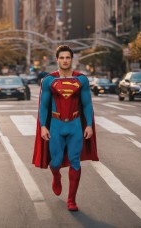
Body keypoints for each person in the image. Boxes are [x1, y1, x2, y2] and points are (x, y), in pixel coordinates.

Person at [32, 45, 98, 211]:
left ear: (72, 59)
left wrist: (89, 125)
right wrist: (43, 126)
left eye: (68, 57)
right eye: (62, 58)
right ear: (57, 59)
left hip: (75, 125)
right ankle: (56, 176)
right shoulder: (48, 80)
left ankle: (72, 200)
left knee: (75, 161)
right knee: (55, 161)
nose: (65, 60)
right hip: (56, 125)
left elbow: (87, 103)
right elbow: (44, 106)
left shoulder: (81, 79)